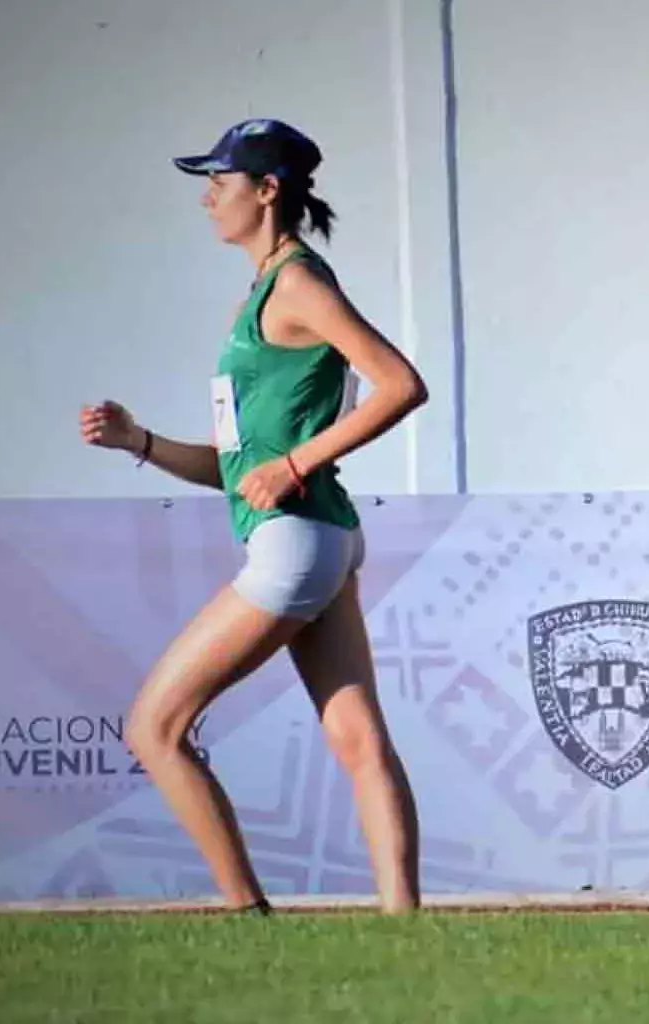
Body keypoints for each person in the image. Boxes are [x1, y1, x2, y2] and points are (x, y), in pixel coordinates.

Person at [79, 119, 426, 914]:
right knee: (359, 741)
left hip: (298, 543)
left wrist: (297, 462)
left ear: (267, 191)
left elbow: (402, 385)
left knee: (154, 728)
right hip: (323, 537)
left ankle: (244, 913)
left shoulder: (298, 283)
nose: (207, 199)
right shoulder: (267, 289)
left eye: (220, 182)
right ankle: (406, 925)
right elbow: (243, 472)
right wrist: (141, 442)